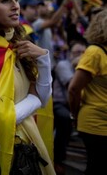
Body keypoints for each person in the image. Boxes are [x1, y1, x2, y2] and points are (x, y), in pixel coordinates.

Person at [0, 0, 55, 174]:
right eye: (5, 0)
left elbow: (44, 97)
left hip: (27, 147)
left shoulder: (18, 43)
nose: (15, 6)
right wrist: (33, 100)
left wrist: (43, 59)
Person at [68, 9, 107, 175]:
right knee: (97, 167)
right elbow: (74, 89)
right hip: (95, 123)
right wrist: (75, 115)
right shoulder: (95, 52)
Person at [53, 39, 86, 174]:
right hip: (59, 103)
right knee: (65, 118)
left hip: (76, 102)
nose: (80, 55)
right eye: (77, 52)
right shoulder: (63, 65)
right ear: (70, 53)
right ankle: (58, 159)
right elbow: (73, 87)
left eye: (83, 52)